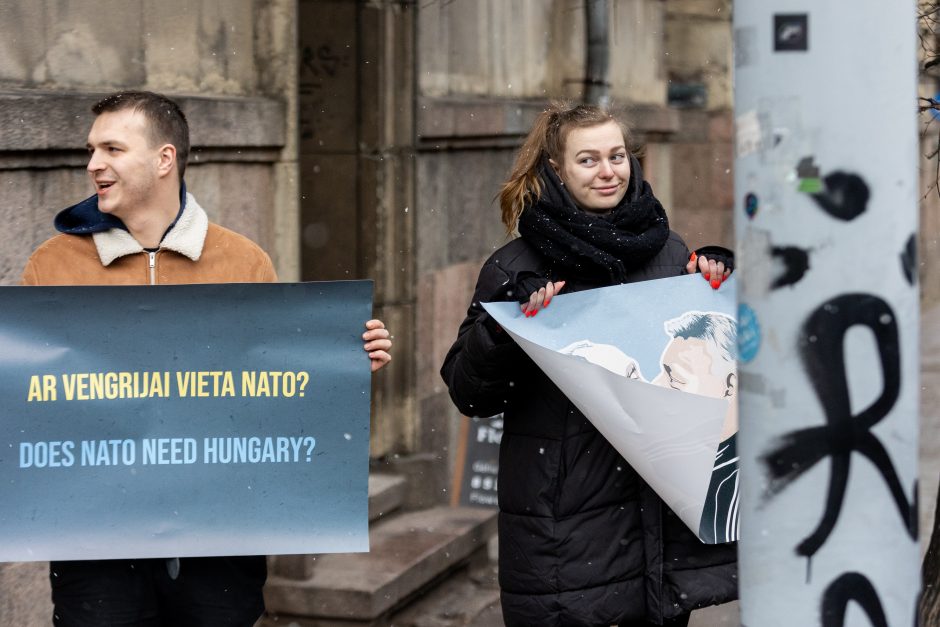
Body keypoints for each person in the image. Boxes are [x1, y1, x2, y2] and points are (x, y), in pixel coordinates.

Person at [20, 90, 392, 626]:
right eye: (91, 149)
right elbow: (35, 403)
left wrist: (342, 362)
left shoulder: (242, 260)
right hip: (96, 542)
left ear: (164, 159)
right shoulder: (53, 265)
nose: (93, 164)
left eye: (112, 149)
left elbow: (273, 389)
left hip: (220, 541)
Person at [440, 102, 736, 627]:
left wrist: (711, 281)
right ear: (555, 170)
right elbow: (470, 393)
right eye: (588, 160)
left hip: (659, 521)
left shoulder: (669, 253)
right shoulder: (515, 267)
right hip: (565, 528)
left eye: (617, 156)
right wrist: (507, 329)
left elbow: (710, 377)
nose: (608, 171)